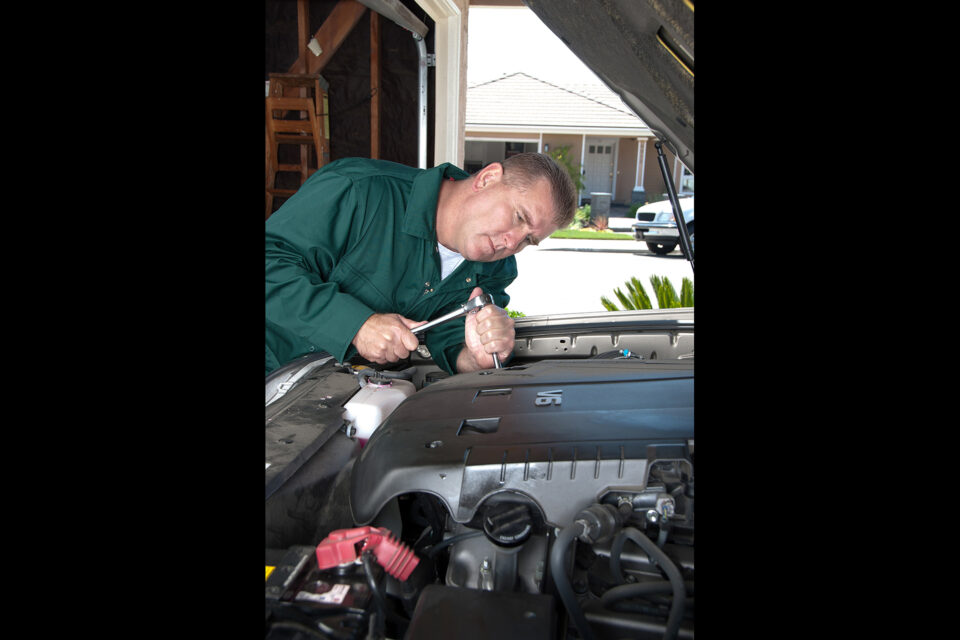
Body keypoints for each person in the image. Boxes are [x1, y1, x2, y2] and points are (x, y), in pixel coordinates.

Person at [265, 152, 577, 377]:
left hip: (327, 396)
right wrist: (356, 325)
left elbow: (451, 337)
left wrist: (475, 356)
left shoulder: (496, 269)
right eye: (519, 218)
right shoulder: (359, 190)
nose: (512, 243)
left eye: (528, 240)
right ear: (487, 179)